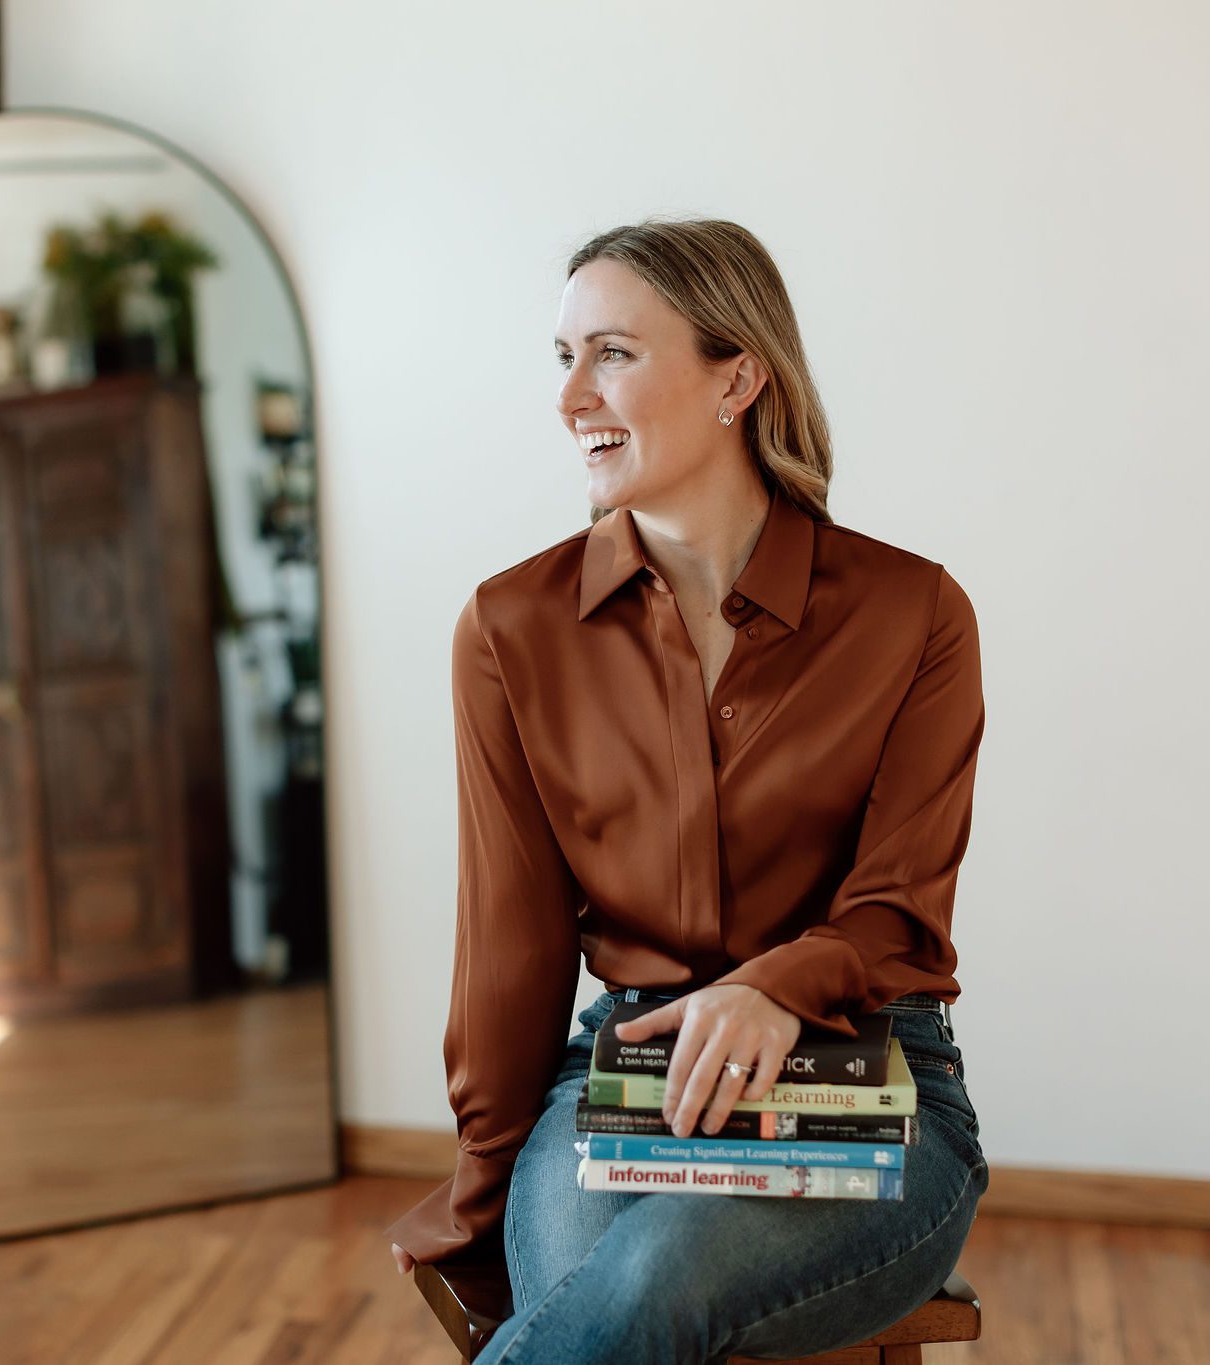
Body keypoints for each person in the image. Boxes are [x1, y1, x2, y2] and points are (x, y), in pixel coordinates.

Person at [385, 217, 988, 1364]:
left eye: (609, 353)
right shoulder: (510, 629)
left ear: (738, 376)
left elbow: (899, 909)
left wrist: (771, 988)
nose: (570, 400)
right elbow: (509, 950)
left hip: (875, 1075)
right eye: (560, 359)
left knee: (655, 1278)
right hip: (627, 1068)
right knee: (591, 1292)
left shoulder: (914, 614)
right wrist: (478, 1192)